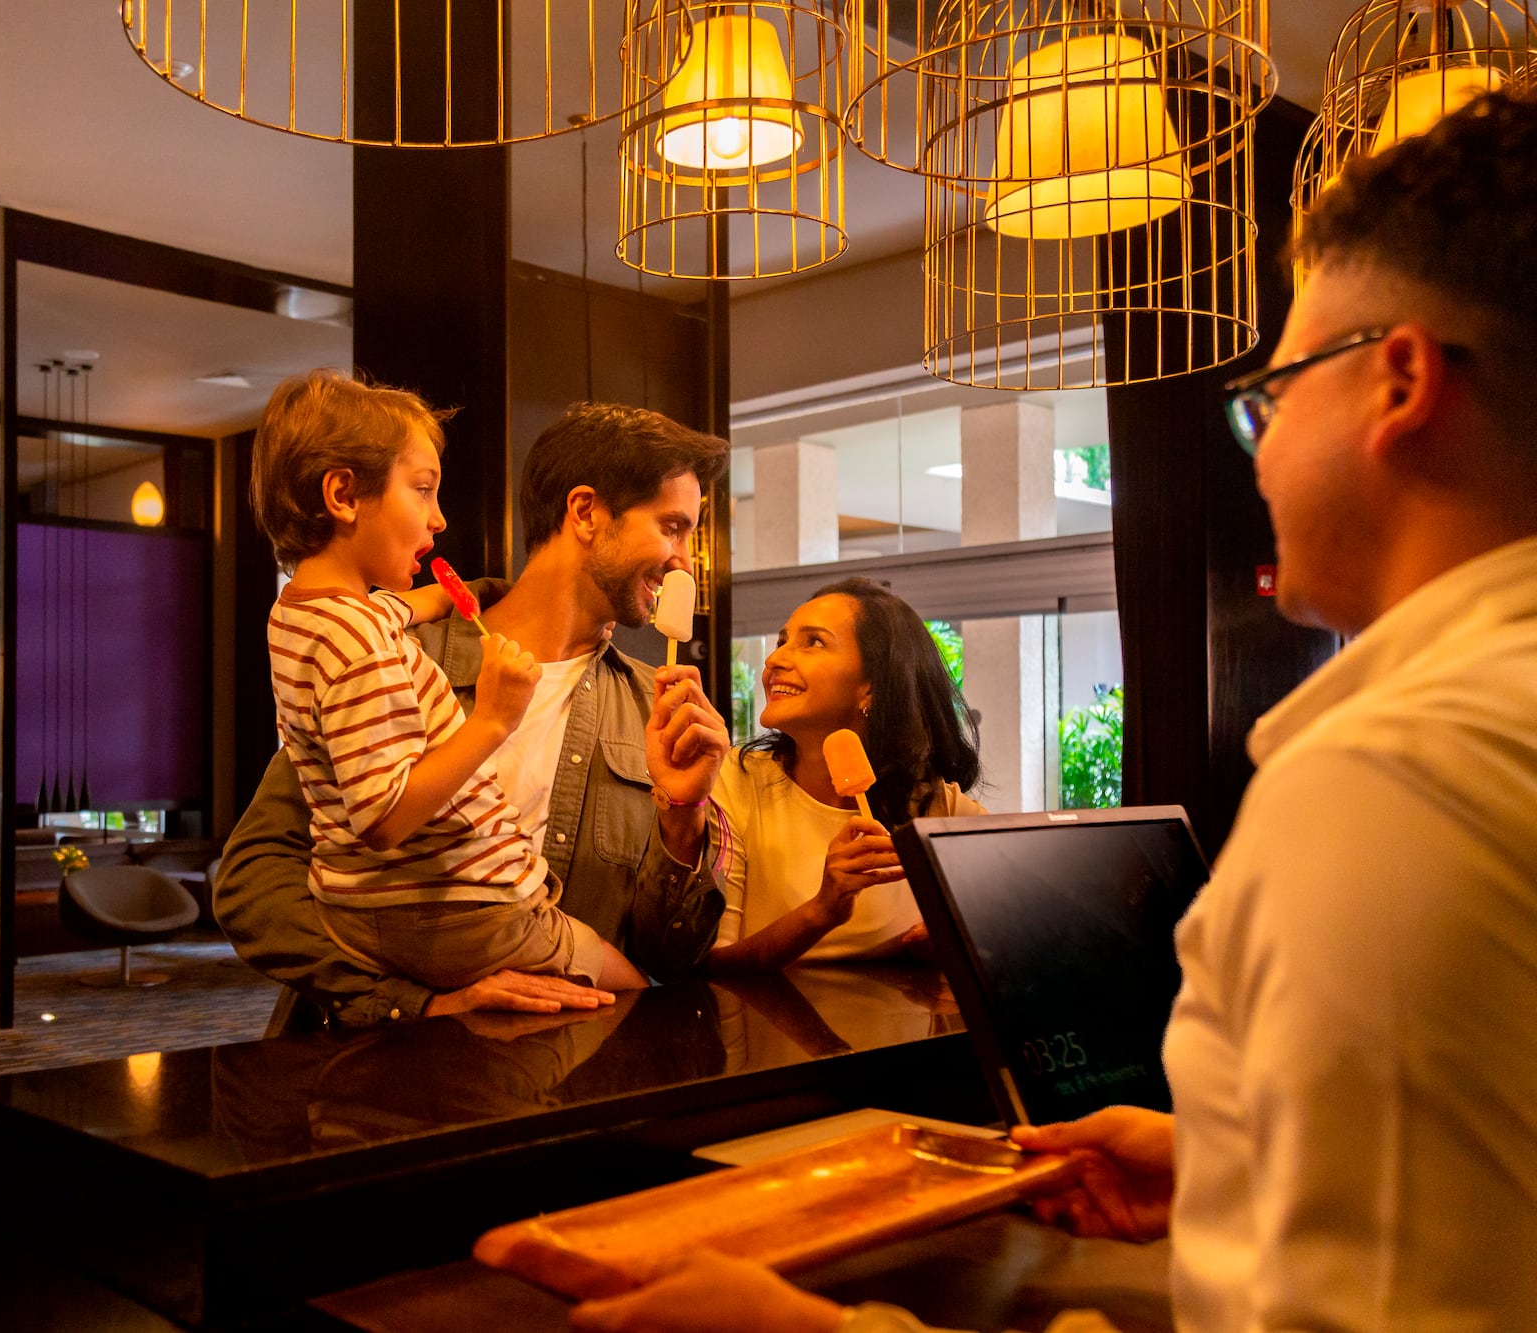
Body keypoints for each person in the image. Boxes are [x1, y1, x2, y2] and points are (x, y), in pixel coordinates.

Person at [567, 89, 1537, 1333]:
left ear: (1398, 382)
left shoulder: (1398, 782)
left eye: (1280, 389)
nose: (1257, 441)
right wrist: (1221, 1169)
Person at [216, 400, 734, 1025]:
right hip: (370, 1076)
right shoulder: (393, 657)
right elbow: (252, 880)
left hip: (562, 1083)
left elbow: (666, 963)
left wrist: (684, 817)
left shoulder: (655, 712)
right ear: (586, 512)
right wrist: (419, 1002)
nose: (686, 559)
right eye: (674, 527)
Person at [709, 581, 984, 972]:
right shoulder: (733, 782)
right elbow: (714, 968)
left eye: (813, 643)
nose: (774, 660)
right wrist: (823, 910)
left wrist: (949, 942)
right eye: (782, 641)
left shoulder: (940, 808)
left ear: (871, 686)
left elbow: (1015, 925)